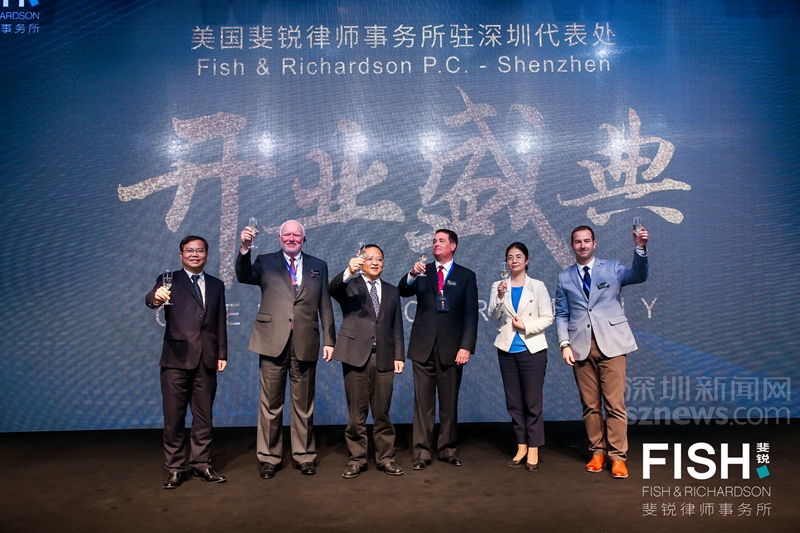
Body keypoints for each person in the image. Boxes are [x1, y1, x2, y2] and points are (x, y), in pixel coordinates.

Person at [236, 220, 335, 478]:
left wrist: (329, 340)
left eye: (296, 235)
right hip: (272, 341)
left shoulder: (318, 265)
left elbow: (325, 304)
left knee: (304, 405)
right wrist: (245, 248)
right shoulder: (265, 261)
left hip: (306, 341)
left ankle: (304, 456)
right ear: (279, 238)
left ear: (304, 239)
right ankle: (269, 458)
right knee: (270, 404)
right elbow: (243, 276)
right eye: (286, 235)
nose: (291, 239)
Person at [555, 225, 649, 479]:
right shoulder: (564, 277)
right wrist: (564, 344)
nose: (582, 245)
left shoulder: (612, 268)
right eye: (578, 242)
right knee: (590, 406)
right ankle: (597, 452)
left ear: (594, 244)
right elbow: (561, 314)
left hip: (612, 344)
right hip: (580, 346)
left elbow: (638, 275)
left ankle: (617, 457)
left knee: (615, 404)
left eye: (587, 241)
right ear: (572, 246)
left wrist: (640, 248)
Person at [145, 235, 228, 489]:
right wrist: (156, 296)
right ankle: (175, 468)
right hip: (175, 359)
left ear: (206, 254)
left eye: (199, 250)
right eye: (189, 250)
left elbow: (219, 322)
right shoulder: (168, 279)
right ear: (181, 254)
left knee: (204, 418)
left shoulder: (216, 285)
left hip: (206, 359)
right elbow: (151, 299)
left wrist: (222, 353)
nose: (195, 254)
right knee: (174, 418)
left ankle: (202, 464)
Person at [398, 229, 478, 470]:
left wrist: (466, 347)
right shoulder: (424, 271)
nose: (436, 244)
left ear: (453, 246)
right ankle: (421, 453)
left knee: (449, 403)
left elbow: (471, 316)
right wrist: (412, 274)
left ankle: (447, 449)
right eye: (434, 241)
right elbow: (403, 290)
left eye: (441, 241)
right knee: (422, 404)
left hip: (452, 349)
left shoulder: (466, 276)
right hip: (423, 347)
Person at [328, 244, 405, 479]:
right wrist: (348, 271)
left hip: (384, 357)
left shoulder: (392, 291)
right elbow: (332, 288)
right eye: (370, 258)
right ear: (362, 261)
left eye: (379, 259)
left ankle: (386, 458)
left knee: (382, 412)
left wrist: (399, 356)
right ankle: (356, 459)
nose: (375, 263)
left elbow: (397, 326)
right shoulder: (350, 285)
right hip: (355, 355)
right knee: (356, 413)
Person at [488, 242, 553, 472]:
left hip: (532, 350)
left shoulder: (538, 286)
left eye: (518, 256)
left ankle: (534, 447)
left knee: (532, 401)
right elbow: (493, 314)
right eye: (510, 257)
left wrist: (526, 326)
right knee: (514, 402)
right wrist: (499, 295)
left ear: (527, 260)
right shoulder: (498, 285)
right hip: (507, 350)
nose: (513, 260)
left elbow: (548, 317)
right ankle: (521, 446)